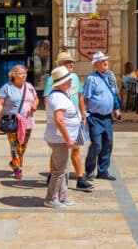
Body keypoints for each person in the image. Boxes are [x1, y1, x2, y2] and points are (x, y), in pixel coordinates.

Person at [43, 52, 92, 191]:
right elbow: (47, 99)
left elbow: (80, 96)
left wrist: (83, 114)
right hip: (61, 121)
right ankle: (53, 174)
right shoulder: (52, 80)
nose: (71, 64)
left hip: (74, 119)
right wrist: (52, 117)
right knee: (58, 152)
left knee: (76, 149)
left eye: (72, 61)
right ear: (59, 65)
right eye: (67, 62)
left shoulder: (75, 77)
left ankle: (80, 178)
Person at [43, 65, 81, 209]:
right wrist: (67, 139)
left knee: (65, 168)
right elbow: (59, 120)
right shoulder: (58, 97)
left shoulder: (61, 94)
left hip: (61, 138)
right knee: (60, 170)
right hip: (59, 139)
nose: (71, 82)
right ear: (62, 83)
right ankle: (51, 198)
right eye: (69, 80)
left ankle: (62, 197)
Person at [0, 64, 36, 180]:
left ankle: (14, 162)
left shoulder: (29, 86)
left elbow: (36, 99)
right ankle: (18, 169)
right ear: (14, 75)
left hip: (27, 121)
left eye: (25, 73)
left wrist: (35, 105)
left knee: (23, 147)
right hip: (12, 121)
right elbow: (0, 104)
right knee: (15, 147)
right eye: (21, 73)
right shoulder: (7, 87)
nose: (24, 75)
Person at [84, 52, 121, 181]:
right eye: (102, 61)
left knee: (108, 144)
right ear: (96, 64)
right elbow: (85, 98)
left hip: (107, 117)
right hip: (94, 117)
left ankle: (103, 171)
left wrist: (116, 110)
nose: (105, 62)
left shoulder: (110, 77)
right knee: (97, 144)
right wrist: (84, 115)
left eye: (106, 60)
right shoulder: (91, 79)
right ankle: (89, 171)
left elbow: (114, 95)